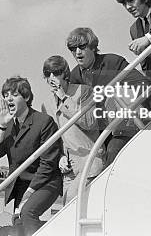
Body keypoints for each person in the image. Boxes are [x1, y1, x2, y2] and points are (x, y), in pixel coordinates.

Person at [0, 76, 63, 236]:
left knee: (28, 213)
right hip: (21, 187)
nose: (8, 98)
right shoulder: (8, 126)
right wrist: (1, 126)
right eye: (5, 95)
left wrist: (30, 193)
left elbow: (48, 163)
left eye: (14, 95)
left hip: (46, 182)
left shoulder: (44, 122)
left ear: (27, 97)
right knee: (19, 230)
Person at [66, 27, 150, 167]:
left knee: (112, 156)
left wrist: (113, 93)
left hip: (124, 126)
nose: (77, 52)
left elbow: (143, 85)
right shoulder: (74, 77)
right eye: (73, 48)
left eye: (81, 46)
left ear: (93, 47)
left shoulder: (113, 61)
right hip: (96, 134)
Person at [43, 55, 104, 204]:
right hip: (69, 168)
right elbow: (52, 138)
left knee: (71, 199)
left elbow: (89, 122)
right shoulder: (47, 104)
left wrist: (64, 98)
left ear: (65, 74)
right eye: (47, 74)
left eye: (56, 73)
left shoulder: (85, 91)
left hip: (90, 159)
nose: (52, 78)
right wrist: (60, 157)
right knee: (67, 208)